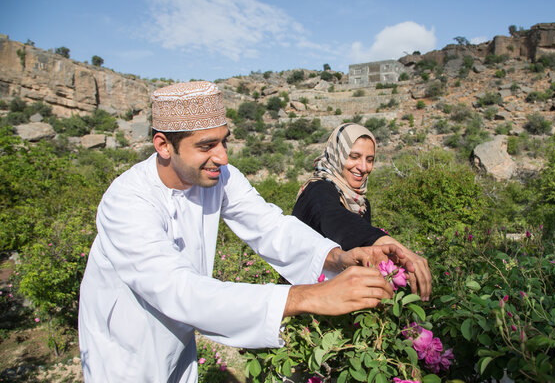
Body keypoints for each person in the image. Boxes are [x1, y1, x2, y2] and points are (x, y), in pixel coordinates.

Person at [78, 82, 415, 382]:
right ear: (164, 145)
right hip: (122, 352)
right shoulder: (127, 202)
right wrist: (307, 296)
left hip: (177, 342)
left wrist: (337, 256)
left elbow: (269, 226)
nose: (222, 157)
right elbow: (178, 289)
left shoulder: (218, 177)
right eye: (207, 145)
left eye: (225, 141)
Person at [292, 123, 432, 300]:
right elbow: (337, 220)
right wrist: (396, 248)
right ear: (338, 155)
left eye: (370, 159)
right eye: (354, 156)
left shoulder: (361, 204)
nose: (363, 167)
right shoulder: (317, 190)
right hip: (303, 304)